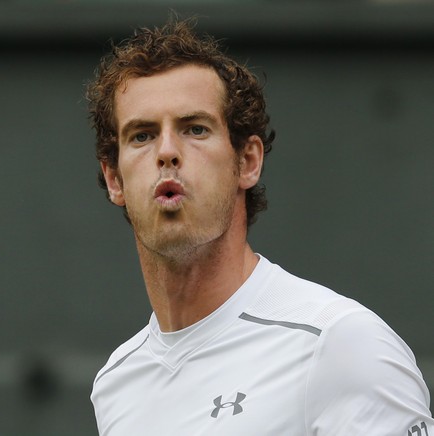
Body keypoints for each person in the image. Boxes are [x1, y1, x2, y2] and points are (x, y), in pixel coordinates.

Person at [86, 18, 433, 435]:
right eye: (141, 136)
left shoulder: (339, 345)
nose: (167, 152)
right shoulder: (116, 383)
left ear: (247, 161)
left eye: (195, 129)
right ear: (114, 179)